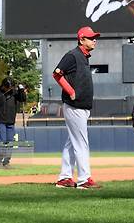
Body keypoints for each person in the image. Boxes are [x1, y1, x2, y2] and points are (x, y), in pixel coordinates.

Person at [53, 26, 101, 189]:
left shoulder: (83, 56)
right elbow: (57, 73)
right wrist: (70, 91)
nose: (94, 40)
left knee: (72, 143)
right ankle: (84, 179)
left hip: (81, 106)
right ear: (81, 39)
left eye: (95, 37)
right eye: (91, 37)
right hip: (75, 106)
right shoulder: (73, 55)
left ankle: (64, 178)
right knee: (81, 142)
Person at [0, 77, 27, 169]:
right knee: (2, 141)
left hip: (10, 121)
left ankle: (6, 162)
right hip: (0, 120)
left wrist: (21, 90)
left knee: (10, 141)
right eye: (8, 87)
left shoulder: (14, 93)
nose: (10, 89)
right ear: (3, 86)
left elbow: (22, 99)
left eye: (11, 87)